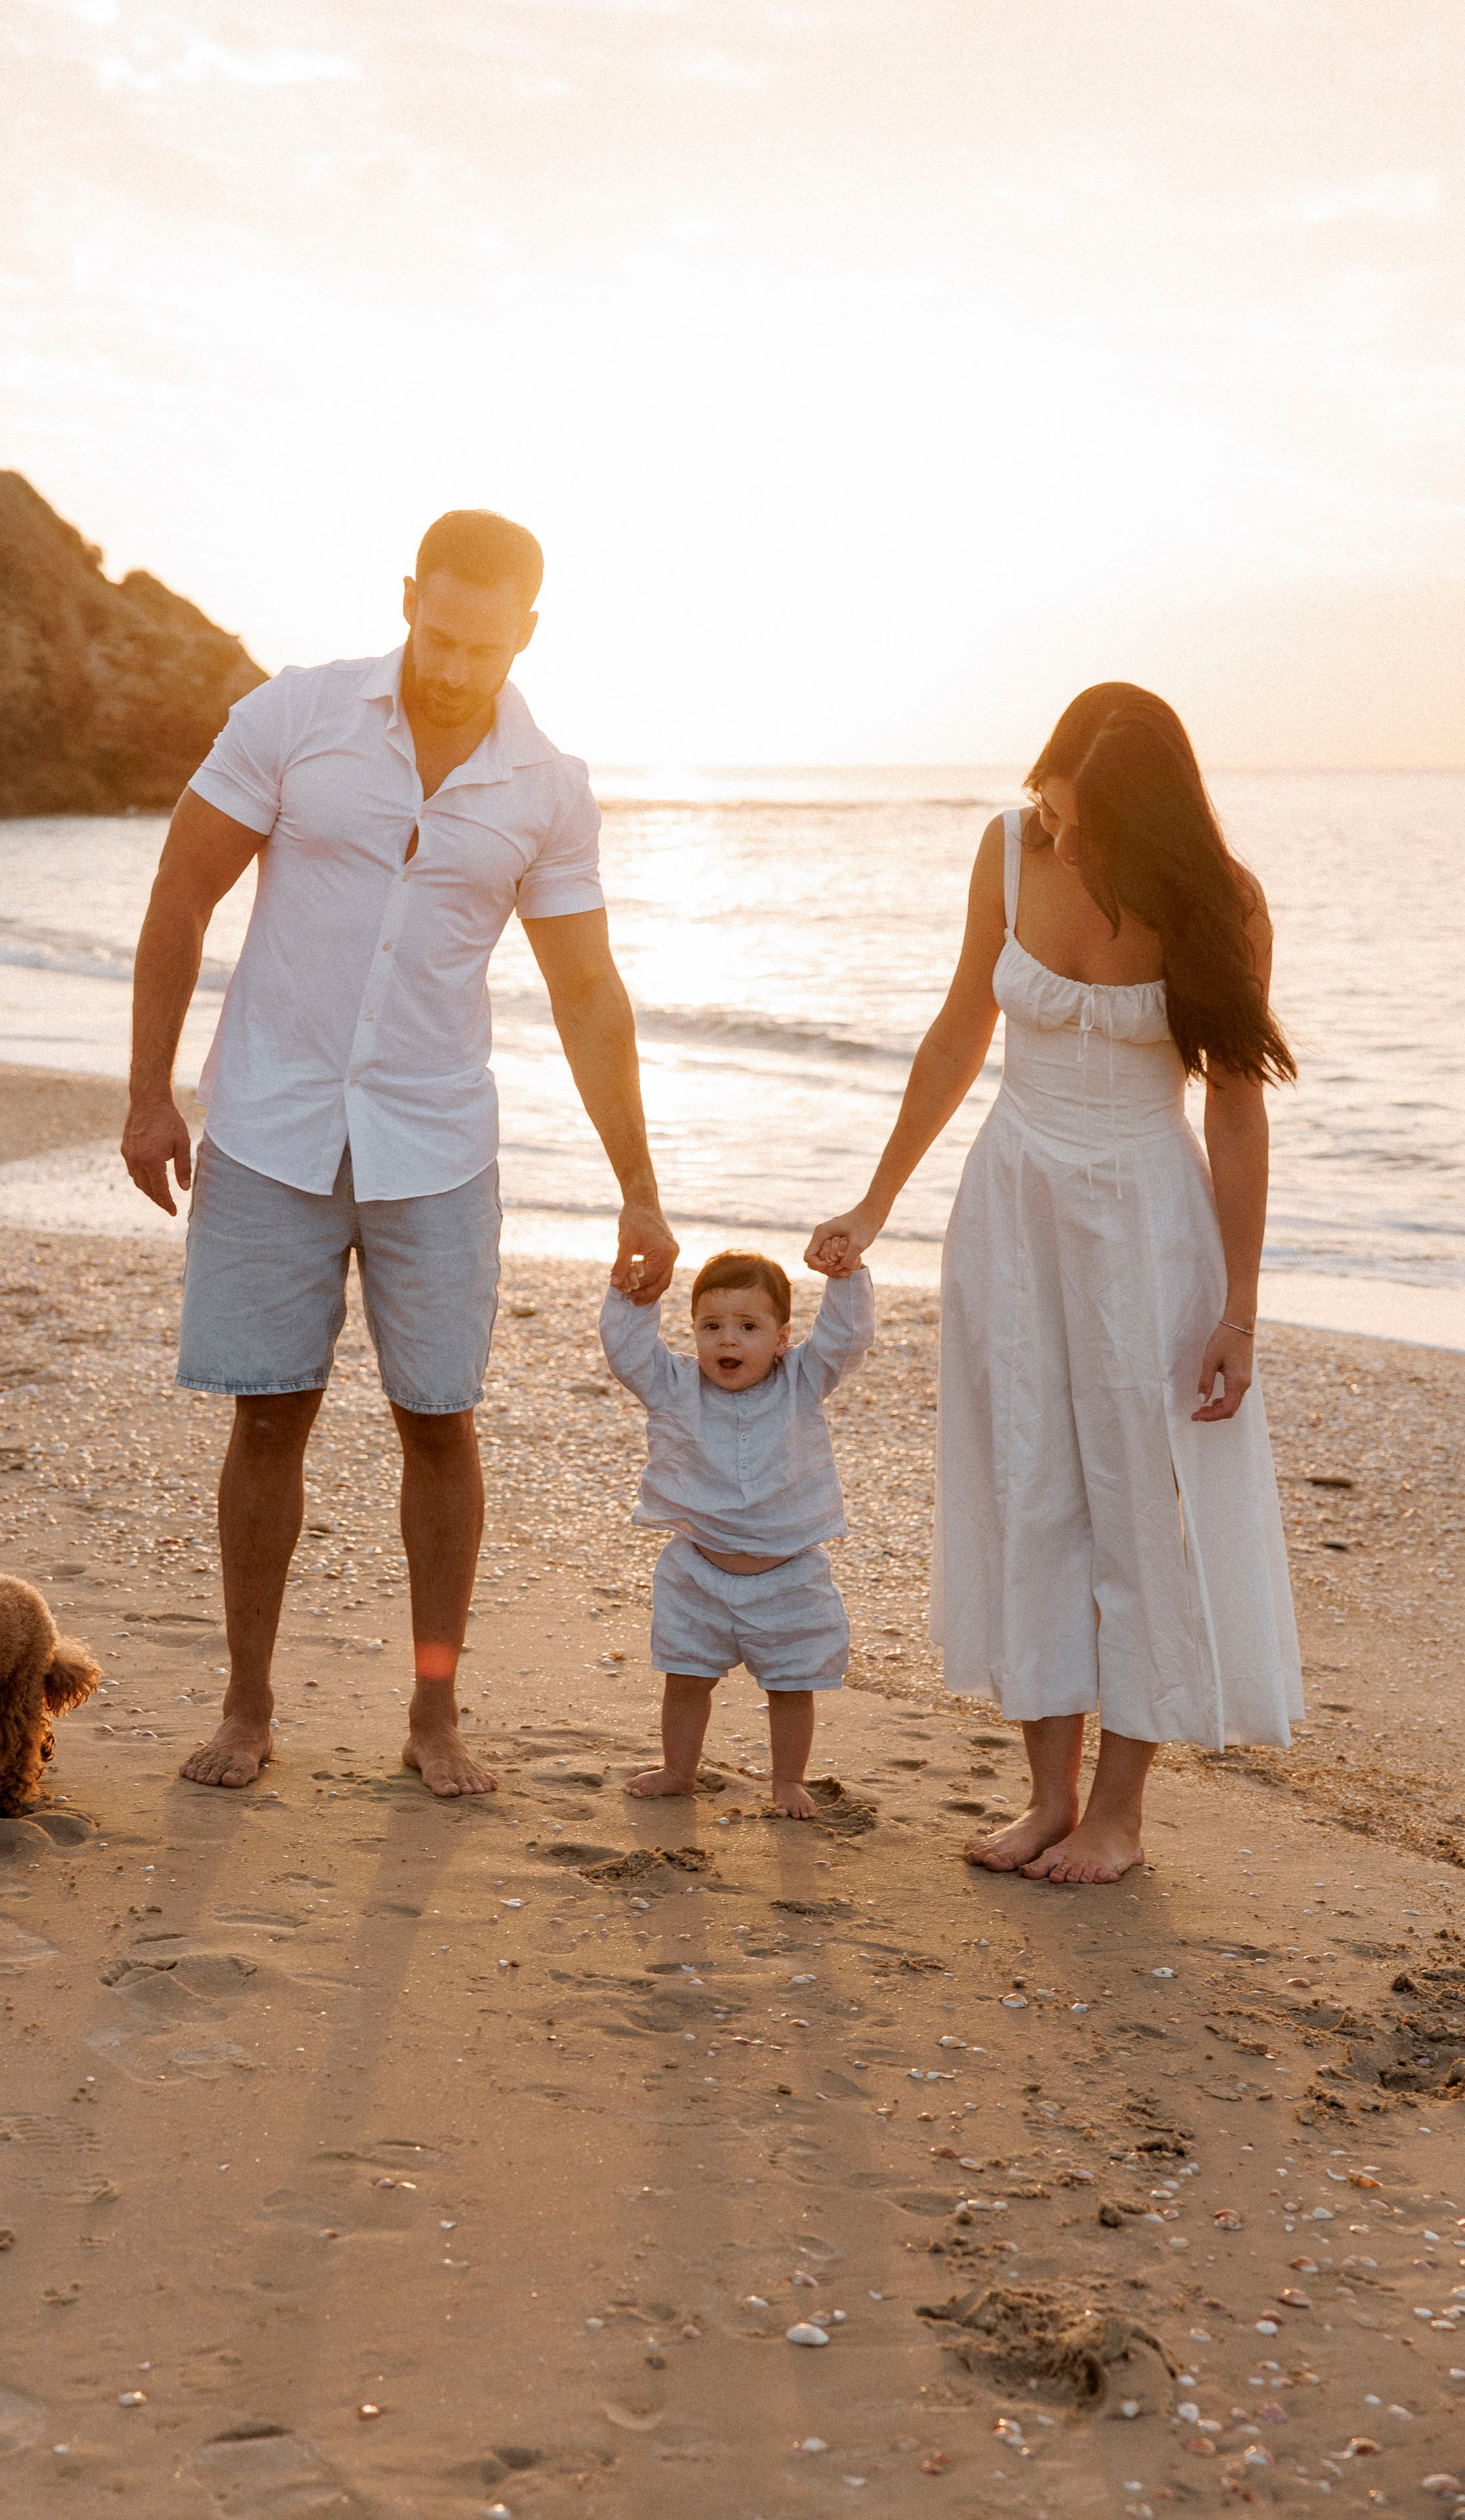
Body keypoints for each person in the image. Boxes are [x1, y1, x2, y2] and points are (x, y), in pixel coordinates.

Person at [122, 510, 678, 1799]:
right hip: (270, 1126)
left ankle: (436, 1713)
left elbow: (590, 994)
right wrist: (149, 1095)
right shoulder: (296, 716)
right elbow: (180, 895)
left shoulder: (549, 787)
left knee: (440, 1422)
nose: (454, 665)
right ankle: (248, 1707)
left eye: (484, 647)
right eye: (439, 632)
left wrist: (639, 1187)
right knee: (271, 1417)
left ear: (524, 635)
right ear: (409, 597)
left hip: (436, 1144)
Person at [807, 683, 1302, 1883]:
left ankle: (1120, 1814)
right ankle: (1046, 1797)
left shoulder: (1221, 902)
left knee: (1141, 1505)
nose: (1061, 837)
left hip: (1149, 1220)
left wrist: (1240, 1306)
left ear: (1156, 819)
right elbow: (957, 1032)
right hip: (1013, 1200)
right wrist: (876, 1202)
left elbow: (1236, 1110)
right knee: (1024, 1481)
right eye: (1053, 806)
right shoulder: (1010, 849)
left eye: (1088, 824)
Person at [600, 1245, 873, 1819]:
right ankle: (679, 1769)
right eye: (712, 1326)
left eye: (748, 1327)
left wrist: (846, 1278)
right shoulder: (674, 1384)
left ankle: (788, 1780)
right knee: (686, 1678)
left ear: (781, 1338)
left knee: (791, 1685)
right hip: (696, 1570)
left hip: (789, 1574)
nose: (728, 1340)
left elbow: (845, 1339)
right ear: (694, 1331)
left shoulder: (802, 1379)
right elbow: (627, 1352)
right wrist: (631, 1294)